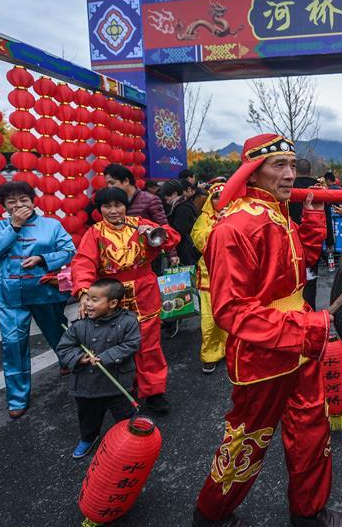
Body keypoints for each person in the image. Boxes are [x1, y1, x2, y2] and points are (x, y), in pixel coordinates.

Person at [194, 133, 342, 527]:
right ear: (253, 170)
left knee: (312, 434)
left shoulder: (279, 214)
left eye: (292, 165)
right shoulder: (233, 227)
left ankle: (309, 513)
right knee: (247, 440)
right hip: (263, 353)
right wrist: (306, 327)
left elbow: (299, 269)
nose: (289, 174)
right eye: (278, 166)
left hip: (300, 343)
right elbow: (232, 311)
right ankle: (210, 517)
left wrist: (313, 218)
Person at [70, 187, 180, 414]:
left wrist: (154, 230)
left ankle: (153, 391)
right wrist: (83, 291)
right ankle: (124, 389)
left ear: (125, 206)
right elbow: (83, 263)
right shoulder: (95, 233)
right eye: (107, 206)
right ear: (99, 210)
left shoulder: (139, 224)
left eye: (118, 205)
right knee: (116, 343)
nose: (113, 211)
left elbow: (172, 237)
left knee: (149, 344)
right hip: (112, 296)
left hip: (144, 291)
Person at [0, 180, 75, 419]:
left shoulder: (52, 225)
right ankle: (17, 397)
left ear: (34, 201)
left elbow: (69, 251)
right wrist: (14, 227)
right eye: (11, 201)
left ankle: (66, 359)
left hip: (45, 291)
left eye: (24, 199)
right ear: (4, 206)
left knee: (57, 332)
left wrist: (43, 259)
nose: (19, 204)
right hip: (9, 294)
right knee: (12, 344)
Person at [57, 277, 140, 458]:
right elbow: (64, 347)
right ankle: (89, 437)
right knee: (88, 416)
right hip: (87, 383)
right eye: (87, 299)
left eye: (94, 300)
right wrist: (79, 358)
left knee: (125, 416)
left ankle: (130, 441)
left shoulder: (128, 321)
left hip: (117, 382)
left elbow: (132, 344)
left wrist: (105, 357)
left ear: (112, 303)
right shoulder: (80, 323)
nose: (88, 304)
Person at [190, 183, 229, 374]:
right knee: (210, 319)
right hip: (209, 277)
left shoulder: (238, 213)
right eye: (215, 196)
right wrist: (217, 225)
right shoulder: (204, 218)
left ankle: (232, 349)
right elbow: (199, 240)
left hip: (233, 275)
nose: (220, 199)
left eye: (224, 195)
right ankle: (210, 354)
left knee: (234, 314)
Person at [289, 158, 331, 308]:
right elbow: (327, 216)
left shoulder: (289, 187)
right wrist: (330, 242)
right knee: (310, 280)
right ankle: (309, 310)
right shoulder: (318, 189)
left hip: (292, 238)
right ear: (310, 171)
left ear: (294, 171)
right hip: (312, 239)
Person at [103, 163, 169, 226]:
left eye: (112, 183)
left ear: (126, 181)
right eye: (107, 183)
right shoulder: (112, 200)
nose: (109, 186)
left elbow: (164, 228)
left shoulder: (150, 200)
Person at [161, 179, 201, 267]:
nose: (165, 198)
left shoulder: (182, 208)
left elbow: (179, 232)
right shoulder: (185, 205)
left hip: (185, 252)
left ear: (175, 194)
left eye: (167, 195)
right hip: (188, 250)